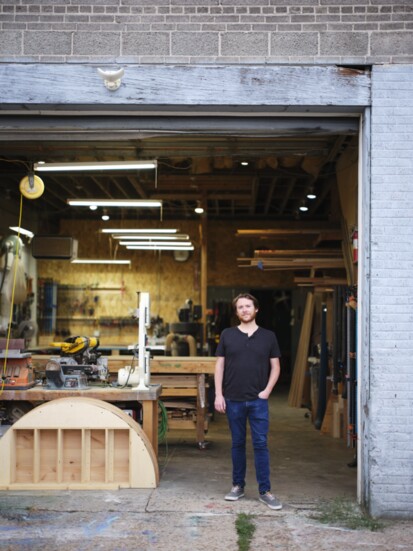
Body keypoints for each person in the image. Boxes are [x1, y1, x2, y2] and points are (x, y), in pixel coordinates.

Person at [214, 293, 282, 510]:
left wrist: (267, 391)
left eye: (248, 306)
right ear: (236, 312)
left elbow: (276, 367)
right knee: (237, 444)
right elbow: (219, 366)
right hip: (233, 399)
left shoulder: (268, 336)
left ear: (256, 309)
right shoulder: (227, 335)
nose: (244, 310)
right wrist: (218, 394)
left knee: (261, 444)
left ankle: (265, 491)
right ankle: (237, 486)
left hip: (258, 400)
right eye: (240, 307)